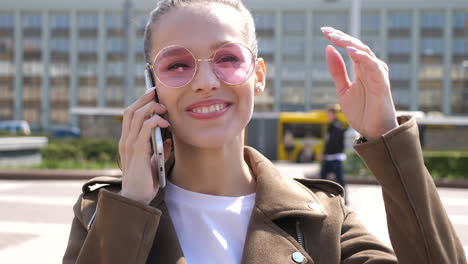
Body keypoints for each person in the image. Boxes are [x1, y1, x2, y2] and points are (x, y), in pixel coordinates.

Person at [62, 0, 467, 263]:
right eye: (178, 65)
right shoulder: (104, 213)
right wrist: (132, 202)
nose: (205, 81)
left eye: (227, 58)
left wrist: (386, 138)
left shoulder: (323, 220)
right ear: (152, 85)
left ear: (257, 76)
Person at [319, 104, 347, 192]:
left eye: (329, 114)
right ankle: (322, 196)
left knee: (339, 179)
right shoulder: (331, 126)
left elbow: (332, 143)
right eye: (327, 114)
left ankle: (343, 197)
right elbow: (328, 142)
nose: (327, 116)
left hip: (335, 157)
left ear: (334, 114)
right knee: (323, 178)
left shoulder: (336, 126)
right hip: (330, 157)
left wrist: (324, 153)